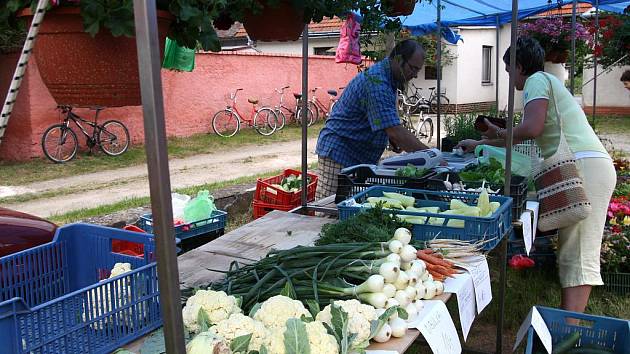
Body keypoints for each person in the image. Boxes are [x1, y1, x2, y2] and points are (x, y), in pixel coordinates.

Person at [457, 37, 616, 314]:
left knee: (578, 252)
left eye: (508, 70)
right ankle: (568, 324)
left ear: (519, 66)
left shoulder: (536, 81)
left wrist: (500, 133)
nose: (509, 77)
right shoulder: (543, 82)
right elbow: (524, 136)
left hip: (586, 170)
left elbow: (531, 129)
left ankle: (569, 329)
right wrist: (482, 144)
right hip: (587, 167)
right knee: (573, 249)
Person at [315, 39, 430, 199]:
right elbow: (395, 131)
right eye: (413, 68)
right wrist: (431, 156)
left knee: (352, 209)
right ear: (398, 60)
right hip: (339, 153)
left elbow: (382, 120)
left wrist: (389, 138)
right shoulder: (377, 83)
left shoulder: (389, 79)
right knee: (329, 211)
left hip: (358, 155)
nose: (415, 75)